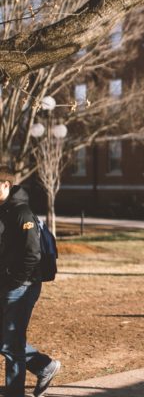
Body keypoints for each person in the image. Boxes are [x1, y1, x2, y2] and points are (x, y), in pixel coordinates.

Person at [0, 170, 61, 397]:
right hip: (6, 284)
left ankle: (14, 392)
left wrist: (16, 279)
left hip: (21, 285)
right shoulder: (3, 211)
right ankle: (43, 366)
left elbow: (32, 253)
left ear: (6, 185)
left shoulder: (21, 212)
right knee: (6, 340)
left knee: (12, 343)